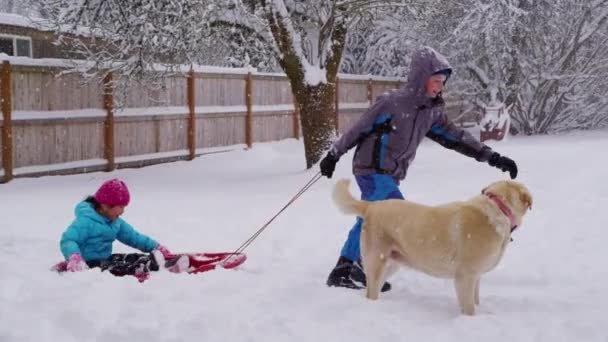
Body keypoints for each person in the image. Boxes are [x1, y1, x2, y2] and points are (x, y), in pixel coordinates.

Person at [319, 46, 518, 291]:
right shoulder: (392, 103)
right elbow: (358, 128)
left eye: (442, 82)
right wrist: (334, 154)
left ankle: (347, 267)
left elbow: (456, 137)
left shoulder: (430, 112)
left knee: (372, 215)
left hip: (391, 174)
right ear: (421, 78)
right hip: (370, 169)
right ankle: (359, 267)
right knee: (390, 213)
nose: (439, 87)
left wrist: (493, 157)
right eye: (436, 81)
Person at [59, 178, 186, 281]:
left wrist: (155, 247)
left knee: (130, 258)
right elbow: (68, 240)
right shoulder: (86, 221)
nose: (123, 211)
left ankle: (155, 262)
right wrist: (74, 258)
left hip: (106, 259)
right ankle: (149, 268)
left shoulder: (115, 222)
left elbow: (133, 237)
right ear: (105, 205)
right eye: (120, 207)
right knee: (120, 267)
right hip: (88, 264)